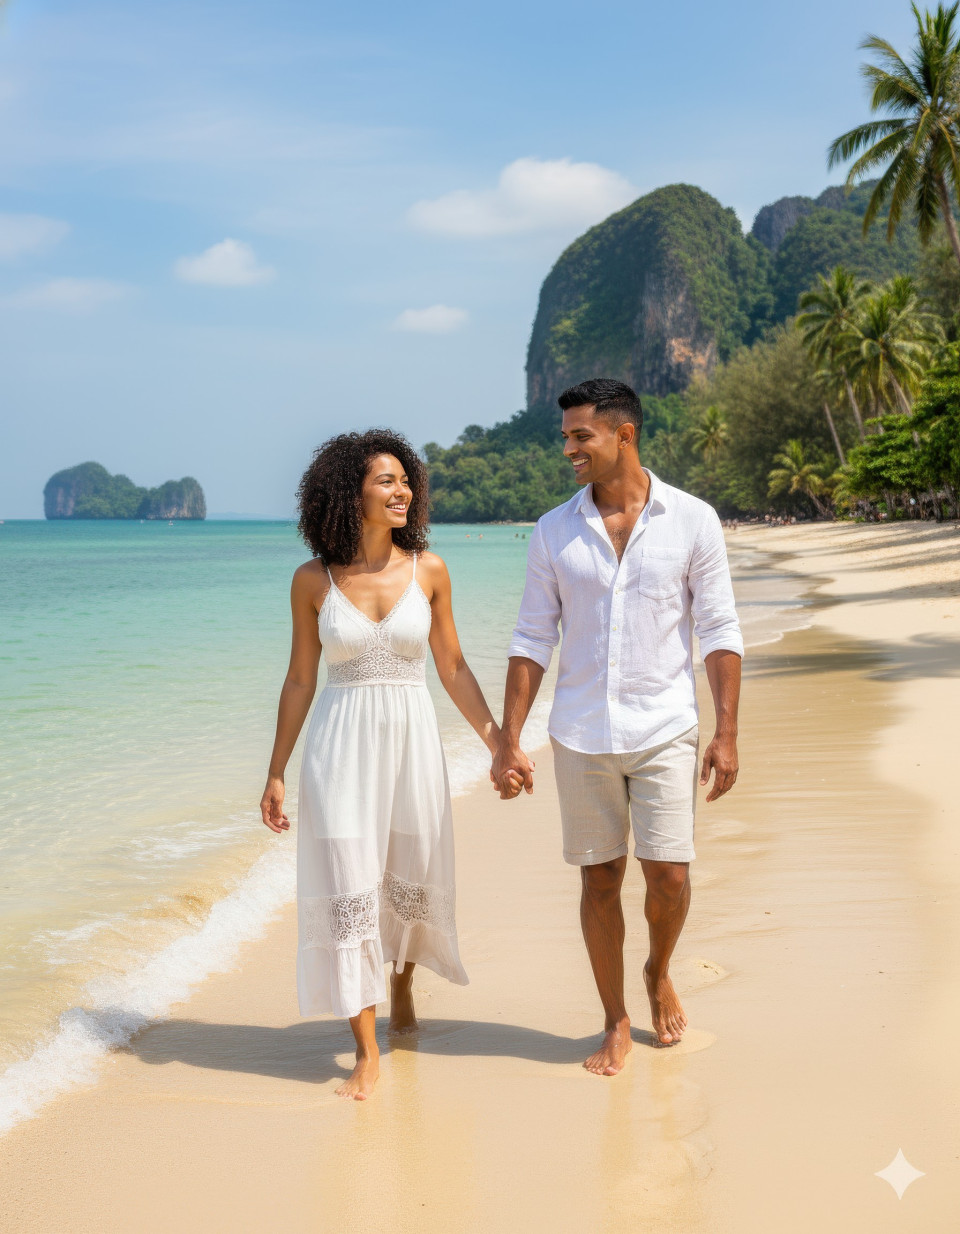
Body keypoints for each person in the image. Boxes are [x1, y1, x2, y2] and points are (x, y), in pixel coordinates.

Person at [260, 429, 523, 1101]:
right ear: (351, 493)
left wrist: (499, 742)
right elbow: (298, 680)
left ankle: (402, 984)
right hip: (339, 748)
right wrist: (276, 771)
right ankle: (366, 1050)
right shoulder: (312, 581)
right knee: (350, 886)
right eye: (387, 481)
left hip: (411, 743)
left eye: (407, 480)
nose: (403, 490)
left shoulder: (429, 570)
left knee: (409, 875)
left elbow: (453, 666)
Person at [492, 379, 743, 1075]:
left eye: (581, 437)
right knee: (599, 880)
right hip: (580, 731)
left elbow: (720, 628)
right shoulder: (553, 529)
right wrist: (509, 739)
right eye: (566, 437)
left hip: (666, 725)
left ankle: (658, 970)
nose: (568, 449)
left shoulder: (692, 520)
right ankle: (614, 1018)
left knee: (668, 874)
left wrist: (726, 730)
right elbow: (531, 638)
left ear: (622, 436)